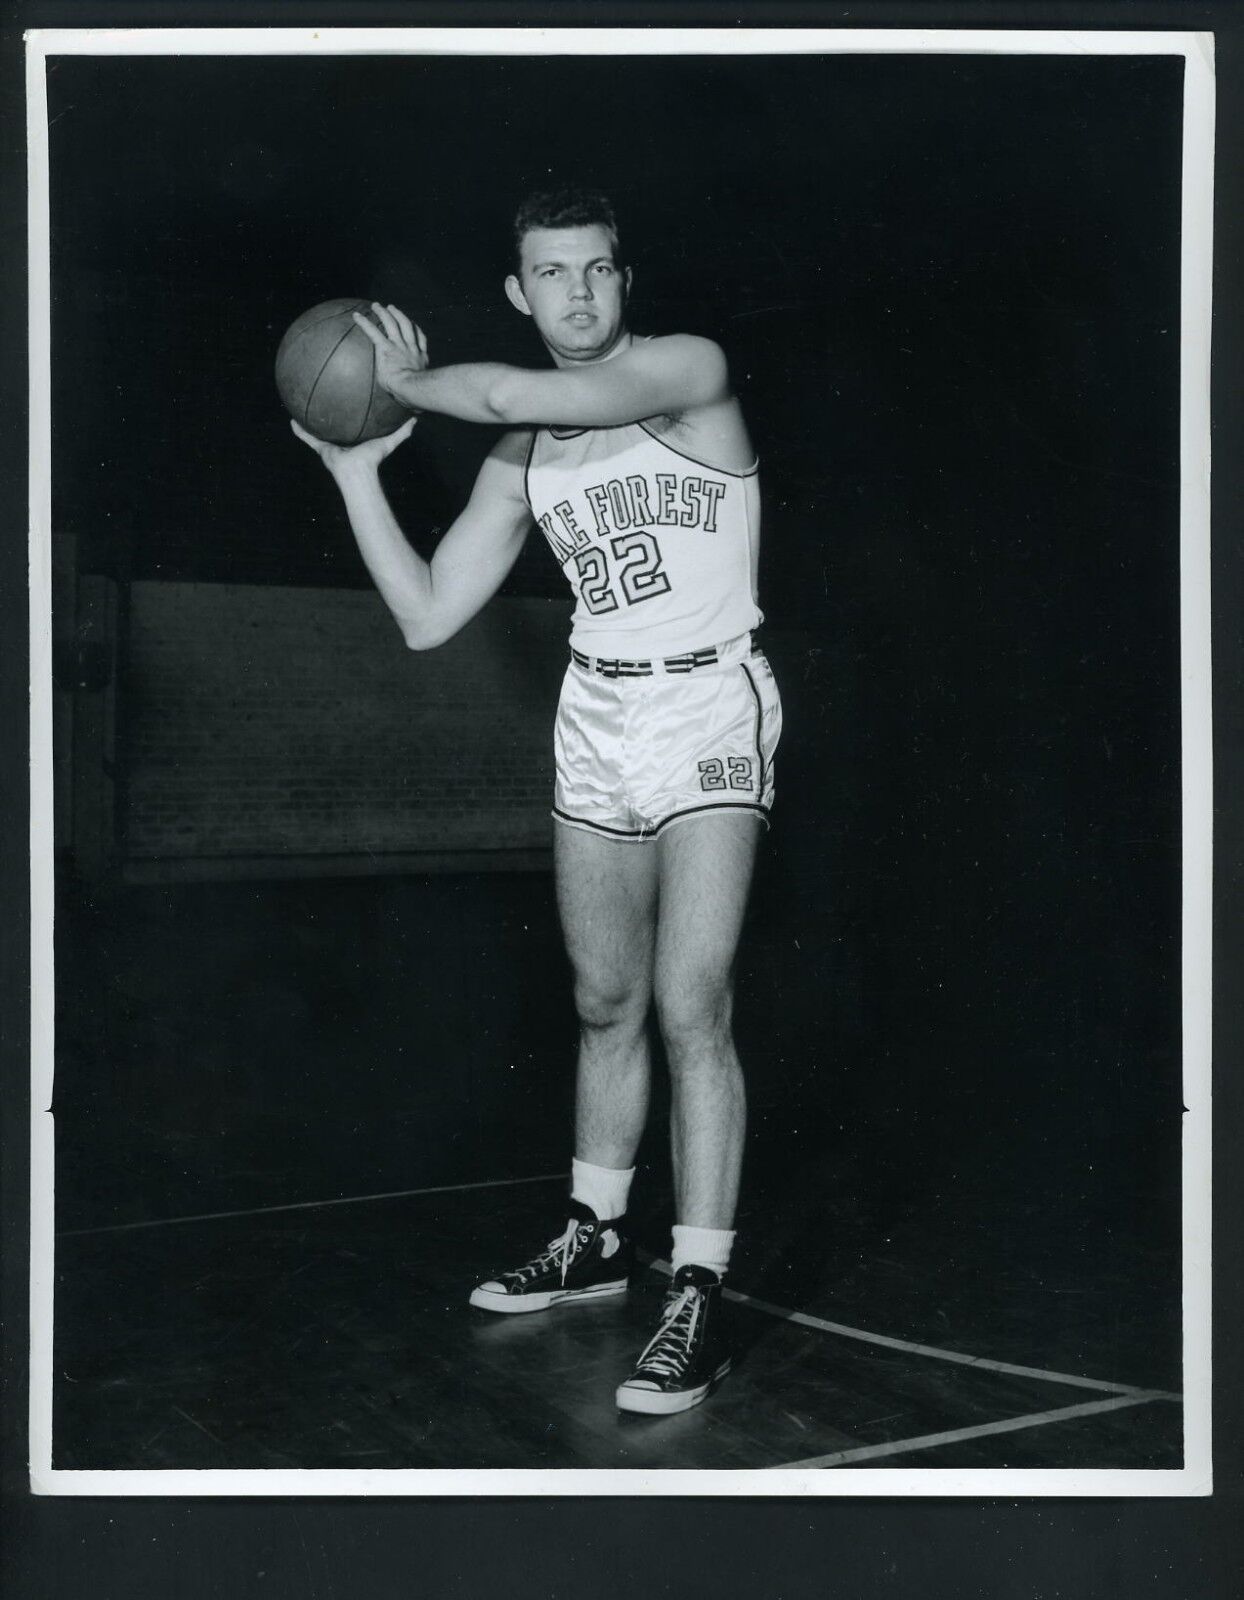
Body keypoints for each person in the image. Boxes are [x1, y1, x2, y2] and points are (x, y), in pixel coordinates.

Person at [292, 186, 782, 1415]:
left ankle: (699, 1292)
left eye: (597, 269)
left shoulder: (685, 374)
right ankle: (594, 1234)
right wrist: (356, 470)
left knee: (689, 999)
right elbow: (424, 615)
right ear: (520, 291)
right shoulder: (523, 455)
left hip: (709, 706)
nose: (576, 292)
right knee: (603, 996)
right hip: (598, 715)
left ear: (624, 280)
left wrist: (400, 382)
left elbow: (510, 391)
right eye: (550, 273)